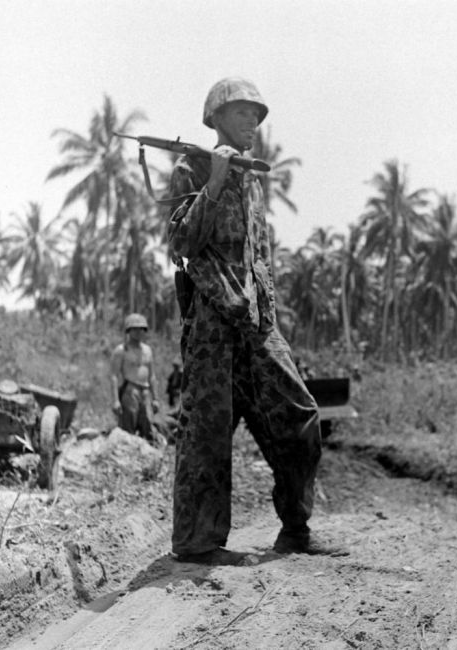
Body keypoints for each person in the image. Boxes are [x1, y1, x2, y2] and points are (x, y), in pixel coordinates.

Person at [167, 77, 343, 563]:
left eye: (258, 116)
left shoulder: (255, 179)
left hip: (257, 324)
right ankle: (198, 543)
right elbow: (181, 244)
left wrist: (270, 320)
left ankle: (296, 529)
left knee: (301, 415)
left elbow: (259, 256)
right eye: (244, 113)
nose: (254, 123)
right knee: (207, 431)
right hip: (211, 327)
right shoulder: (192, 169)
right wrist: (215, 181)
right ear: (218, 116)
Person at [110, 313, 161, 443]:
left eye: (141, 329)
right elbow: (114, 376)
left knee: (148, 426)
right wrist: (115, 400)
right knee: (128, 429)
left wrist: (155, 398)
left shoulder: (148, 350)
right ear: (128, 331)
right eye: (135, 329)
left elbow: (152, 376)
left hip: (145, 391)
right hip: (130, 391)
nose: (139, 332)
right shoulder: (121, 350)